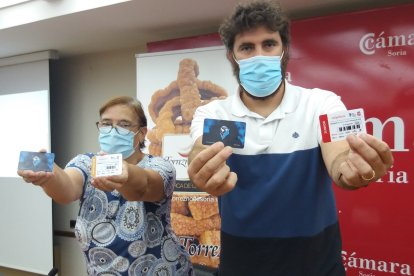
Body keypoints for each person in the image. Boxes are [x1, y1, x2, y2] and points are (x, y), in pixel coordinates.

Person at [187, 1, 394, 275]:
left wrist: (351, 169)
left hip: (318, 263)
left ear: (284, 49)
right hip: (242, 263)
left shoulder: (320, 103)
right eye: (247, 47)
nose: (259, 55)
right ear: (231, 56)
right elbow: (201, 151)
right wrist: (201, 170)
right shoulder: (216, 112)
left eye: (269, 44)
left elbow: (340, 156)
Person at [18, 96, 194, 276]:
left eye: (124, 124)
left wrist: (127, 174)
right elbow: (67, 188)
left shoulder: (161, 166)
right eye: (106, 124)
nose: (113, 131)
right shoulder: (87, 163)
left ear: (141, 133)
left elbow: (144, 186)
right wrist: (49, 175)